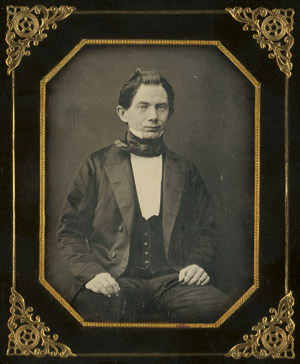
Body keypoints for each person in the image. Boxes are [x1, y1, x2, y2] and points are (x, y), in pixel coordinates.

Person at [57, 68, 231, 323]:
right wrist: (92, 274)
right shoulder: (95, 165)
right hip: (115, 282)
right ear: (123, 113)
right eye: (143, 107)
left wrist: (198, 263)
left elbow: (206, 229)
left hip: (174, 282)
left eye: (161, 107)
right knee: (87, 316)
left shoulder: (185, 169)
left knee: (228, 313)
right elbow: (69, 232)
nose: (153, 116)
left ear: (170, 112)